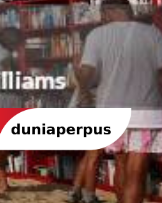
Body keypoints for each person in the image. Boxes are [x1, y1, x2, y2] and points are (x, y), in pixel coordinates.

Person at [79, 0, 162, 203]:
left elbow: (86, 73)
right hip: (146, 112)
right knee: (136, 171)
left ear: (107, 13)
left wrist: (86, 93)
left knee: (121, 165)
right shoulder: (153, 33)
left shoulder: (96, 35)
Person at [67, 31, 102, 203]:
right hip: (91, 107)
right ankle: (89, 195)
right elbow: (87, 85)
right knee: (94, 155)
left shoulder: (79, 57)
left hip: (80, 107)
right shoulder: (91, 58)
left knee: (89, 155)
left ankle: (75, 191)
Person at [0, 27, 23, 193]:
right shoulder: (4, 56)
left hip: (5, 98)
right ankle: (2, 181)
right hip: (7, 99)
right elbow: (11, 78)